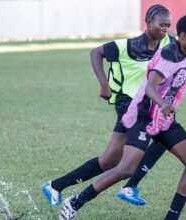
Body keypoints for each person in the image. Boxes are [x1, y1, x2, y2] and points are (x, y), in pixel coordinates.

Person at [58, 14, 186, 220]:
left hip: (163, 118)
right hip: (143, 115)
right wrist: (163, 103)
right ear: (182, 36)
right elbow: (150, 87)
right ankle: (74, 202)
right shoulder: (168, 56)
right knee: (126, 168)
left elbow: (185, 76)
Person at [41, 4, 175, 208]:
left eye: (168, 25)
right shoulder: (125, 46)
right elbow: (95, 53)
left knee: (108, 161)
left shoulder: (167, 42)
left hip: (146, 105)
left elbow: (182, 54)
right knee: (165, 136)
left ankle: (55, 186)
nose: (165, 29)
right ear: (147, 22)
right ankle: (130, 187)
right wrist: (104, 84)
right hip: (128, 105)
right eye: (161, 24)